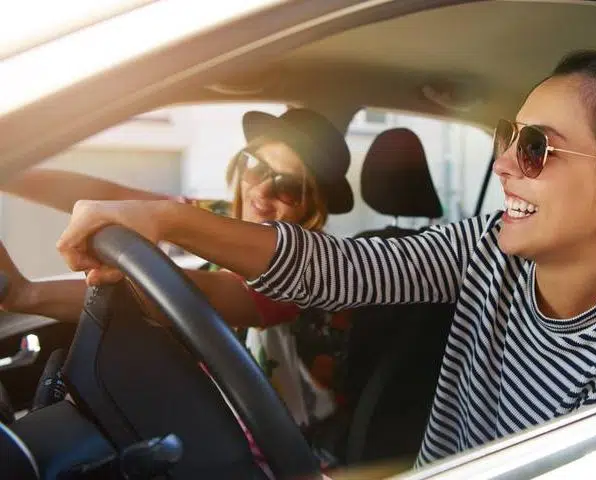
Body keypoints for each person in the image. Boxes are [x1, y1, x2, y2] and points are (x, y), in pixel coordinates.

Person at [55, 32, 596, 466]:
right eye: (508, 135)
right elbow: (337, 271)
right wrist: (161, 219)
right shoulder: (488, 251)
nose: (504, 164)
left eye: (538, 148)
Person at [0, 108, 354, 430]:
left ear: (313, 206)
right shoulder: (219, 216)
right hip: (210, 412)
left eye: (288, 187)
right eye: (255, 167)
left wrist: (27, 294)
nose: (261, 192)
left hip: (279, 449)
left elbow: (201, 295)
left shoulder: (310, 268)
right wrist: (11, 173)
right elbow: (112, 197)